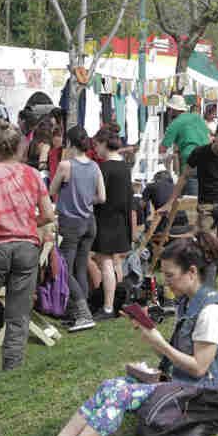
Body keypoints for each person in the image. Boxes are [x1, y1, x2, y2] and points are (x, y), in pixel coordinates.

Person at [16, 234, 218, 436]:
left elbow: (199, 368)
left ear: (192, 272)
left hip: (207, 392)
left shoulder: (211, 311)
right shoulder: (188, 303)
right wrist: (151, 338)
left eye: (170, 275)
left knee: (121, 395)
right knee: (109, 386)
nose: (166, 282)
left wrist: (160, 343)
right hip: (184, 382)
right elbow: (177, 357)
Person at [0, 121, 56, 388]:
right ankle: (12, 372)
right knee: (19, 313)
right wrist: (27, 223)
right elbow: (48, 214)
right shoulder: (32, 175)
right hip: (27, 247)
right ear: (19, 147)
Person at [49, 125, 105, 332]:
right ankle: (80, 312)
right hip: (90, 221)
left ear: (69, 143)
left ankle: (82, 313)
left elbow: (51, 190)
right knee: (80, 268)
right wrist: (85, 199)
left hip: (71, 223)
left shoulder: (65, 165)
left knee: (64, 268)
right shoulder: (94, 166)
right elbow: (102, 197)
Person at [161, 121, 218, 233]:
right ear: (215, 136)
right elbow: (184, 177)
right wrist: (170, 202)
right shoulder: (200, 152)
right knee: (207, 241)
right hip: (206, 206)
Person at [92, 128, 133, 321]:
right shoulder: (125, 167)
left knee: (106, 263)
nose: (96, 149)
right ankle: (116, 301)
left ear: (103, 144)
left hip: (106, 219)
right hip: (120, 219)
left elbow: (100, 197)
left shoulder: (104, 168)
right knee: (113, 262)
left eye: (97, 145)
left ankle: (108, 307)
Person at [160, 94, 209, 198]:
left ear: (173, 109)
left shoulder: (175, 123)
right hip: (207, 158)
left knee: (191, 200)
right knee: (205, 197)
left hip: (190, 161)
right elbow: (208, 136)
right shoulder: (198, 118)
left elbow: (163, 148)